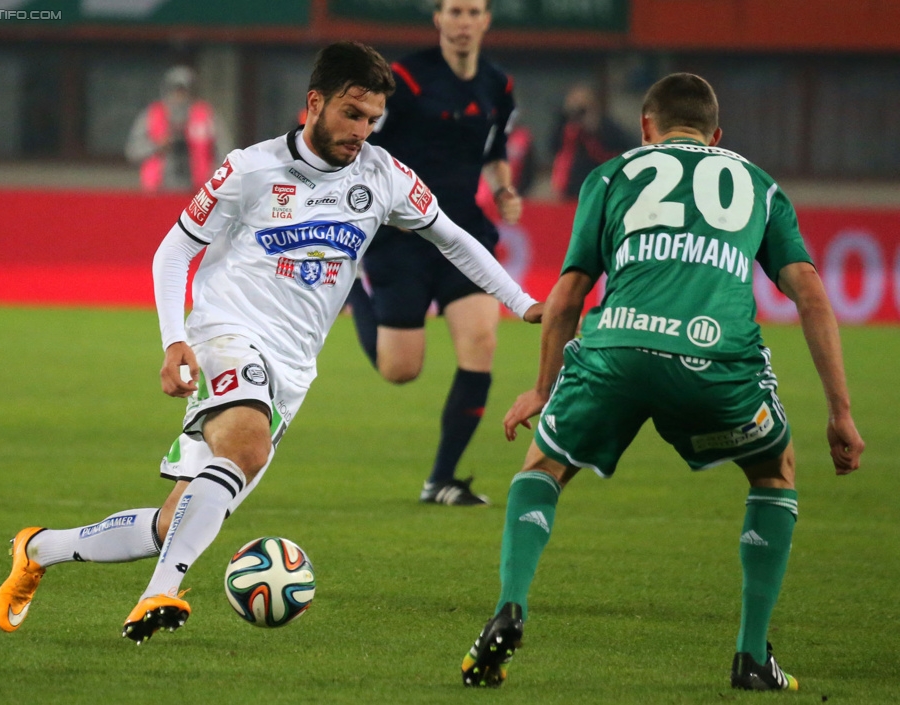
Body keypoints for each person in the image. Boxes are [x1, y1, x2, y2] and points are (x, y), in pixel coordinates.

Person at [0, 41, 541, 644]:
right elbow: (175, 248)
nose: (362, 130)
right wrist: (174, 339)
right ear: (315, 103)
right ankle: (158, 592)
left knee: (174, 520)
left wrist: (522, 302)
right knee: (247, 445)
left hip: (294, 367)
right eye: (351, 114)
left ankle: (39, 548)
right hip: (226, 333)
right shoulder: (250, 169)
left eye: (372, 119)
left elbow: (454, 239)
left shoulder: (383, 177)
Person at [460, 73, 864, 690]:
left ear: (647, 128)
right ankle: (752, 656)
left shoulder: (612, 175)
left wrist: (542, 391)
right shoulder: (757, 183)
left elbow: (569, 294)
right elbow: (809, 292)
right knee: (773, 469)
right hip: (715, 362)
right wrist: (840, 410)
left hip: (615, 348)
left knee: (543, 467)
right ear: (717, 135)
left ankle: (508, 608)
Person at [346, 0, 523, 506]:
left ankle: (442, 480)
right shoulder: (402, 78)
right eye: (454, 11)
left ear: (486, 20)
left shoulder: (498, 85)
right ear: (438, 19)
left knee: (482, 344)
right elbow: (359, 139)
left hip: (461, 232)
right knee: (400, 370)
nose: (463, 21)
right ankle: (354, 289)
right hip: (400, 235)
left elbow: (494, 148)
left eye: (473, 11)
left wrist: (504, 189)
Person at [125, 65, 233, 193]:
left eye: (183, 91)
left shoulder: (208, 117)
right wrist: (157, 146)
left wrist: (214, 178)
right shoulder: (151, 116)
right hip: (157, 191)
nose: (179, 96)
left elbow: (226, 155)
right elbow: (132, 152)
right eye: (175, 90)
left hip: (199, 193)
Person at [550, 83, 635, 200]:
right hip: (569, 187)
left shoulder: (606, 125)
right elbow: (553, 148)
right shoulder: (566, 126)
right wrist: (564, 118)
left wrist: (596, 129)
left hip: (598, 184)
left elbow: (624, 146)